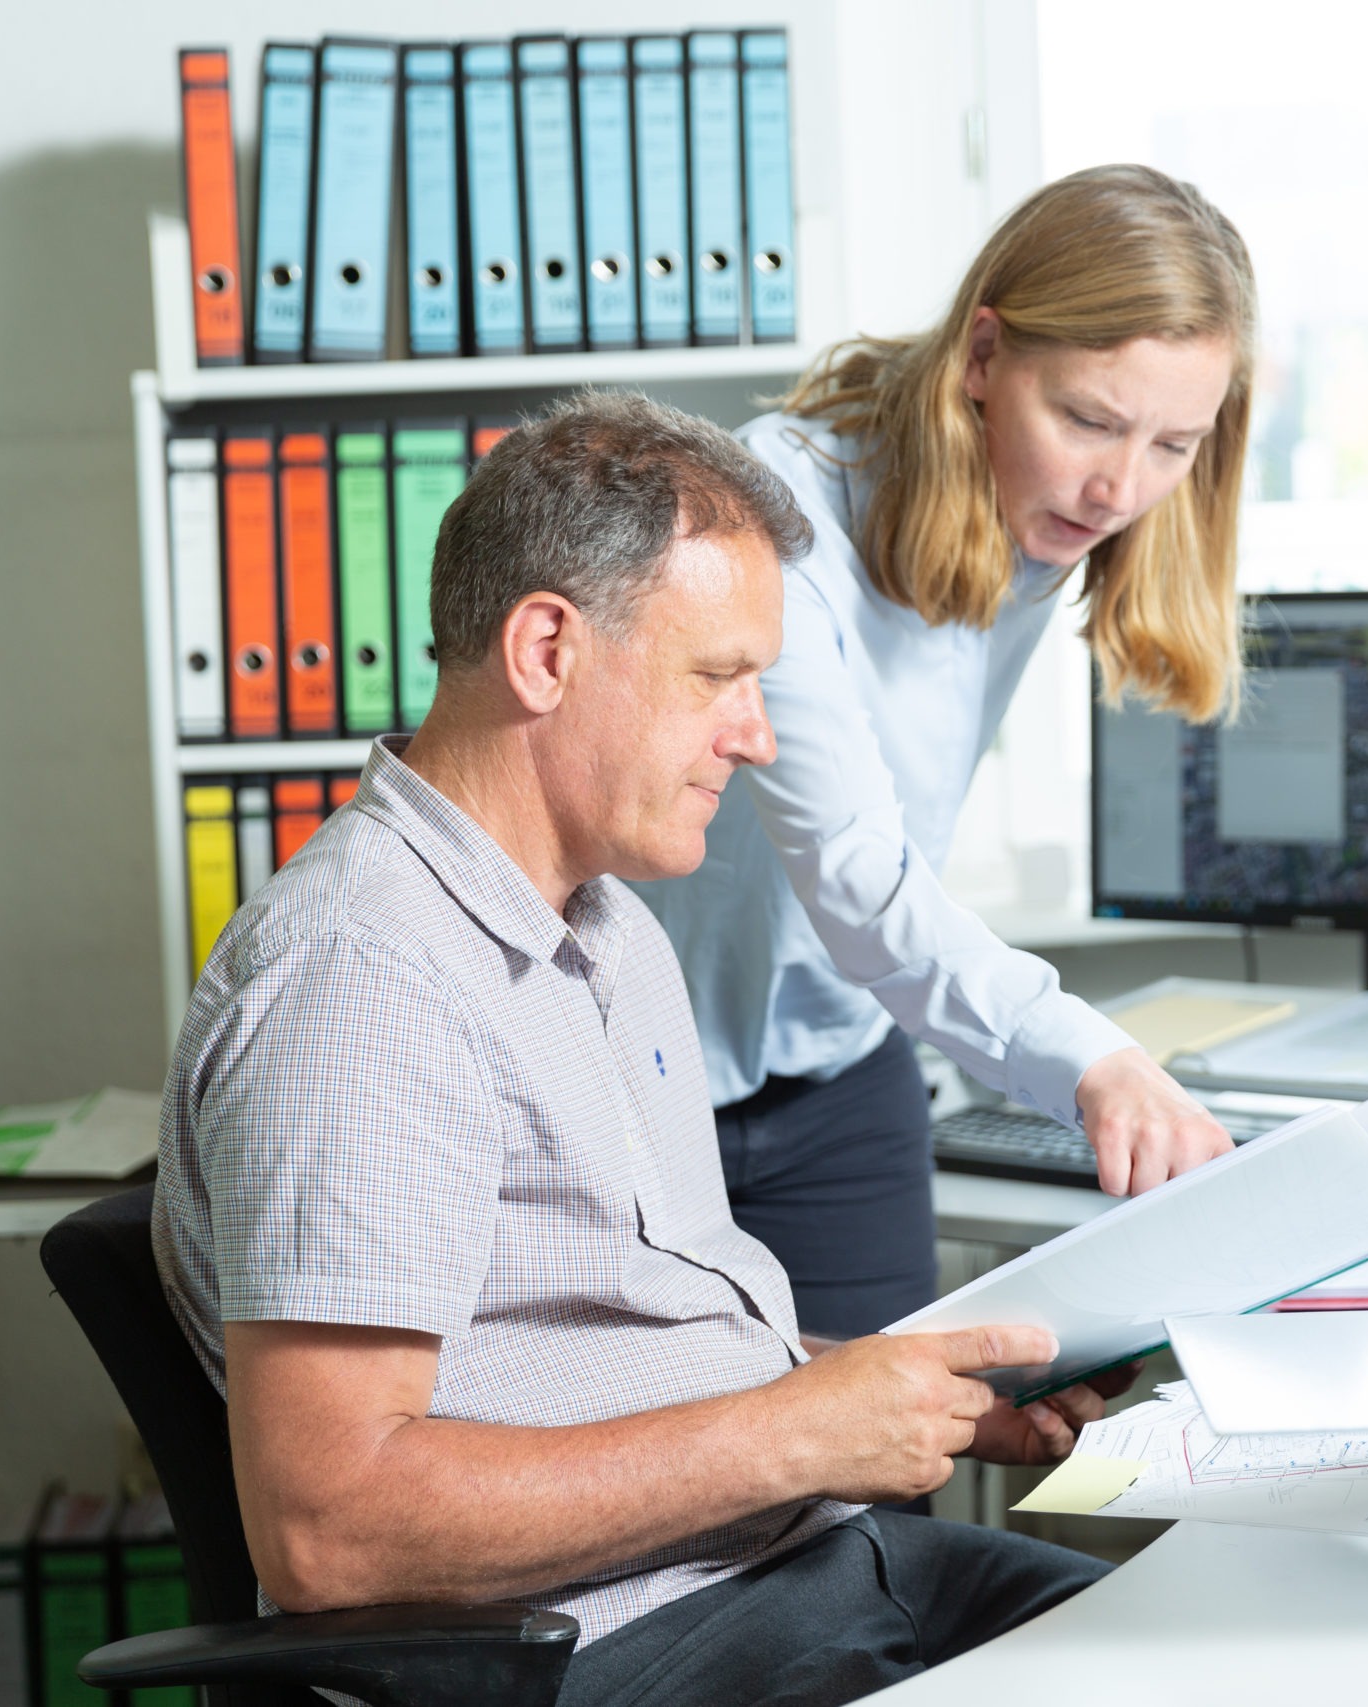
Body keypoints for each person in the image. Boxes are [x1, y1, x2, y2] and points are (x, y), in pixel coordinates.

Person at [152, 393, 1125, 1707]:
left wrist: (902, 1390)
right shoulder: (365, 982)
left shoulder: (609, 932)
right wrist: (798, 1431)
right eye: (717, 676)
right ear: (547, 648)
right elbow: (332, 1526)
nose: (758, 734)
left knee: (1226, 1643)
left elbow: (626, 1343)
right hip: (627, 1645)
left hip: (800, 1572)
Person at [633, 164, 1260, 1338]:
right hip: (645, 1091)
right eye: (1085, 418)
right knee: (687, 1498)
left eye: (1174, 443)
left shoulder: (1050, 515)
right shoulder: (778, 509)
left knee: (885, 1490)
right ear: (981, 358)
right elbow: (858, 871)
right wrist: (1094, 1062)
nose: (1120, 486)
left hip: (842, 1074)